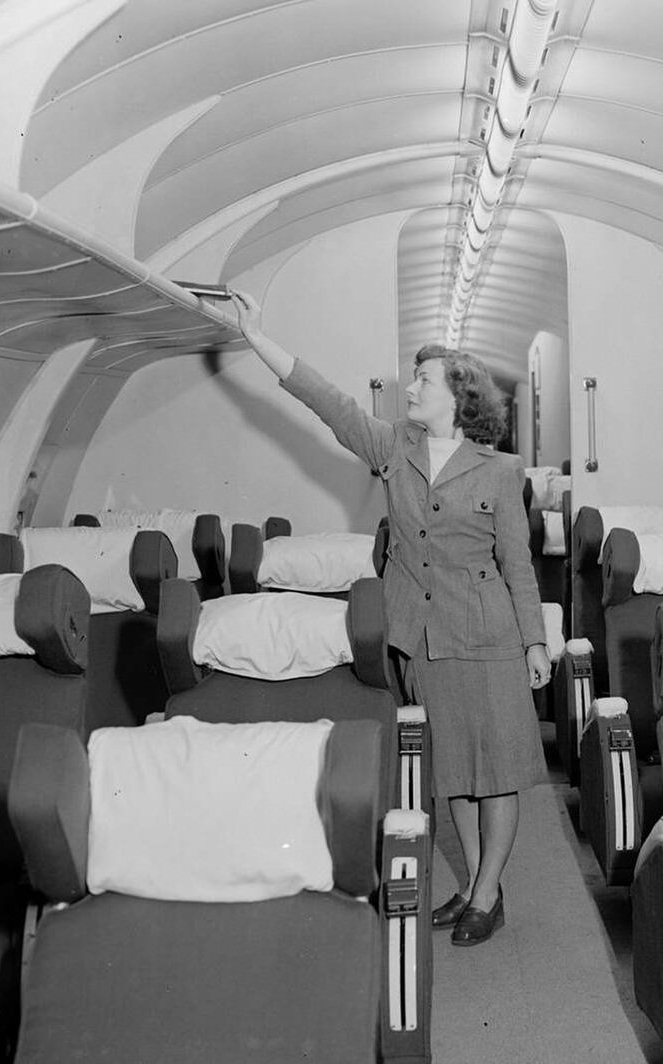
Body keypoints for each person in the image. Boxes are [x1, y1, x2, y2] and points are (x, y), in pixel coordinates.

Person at [230, 291, 551, 947]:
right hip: (421, 638)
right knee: (453, 773)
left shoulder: (500, 469)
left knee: (494, 770)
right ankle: (471, 887)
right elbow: (328, 403)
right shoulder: (392, 446)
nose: (411, 387)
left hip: (487, 634)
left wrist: (535, 640)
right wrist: (258, 337)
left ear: (457, 396)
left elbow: (517, 563)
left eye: (423, 379)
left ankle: (487, 892)